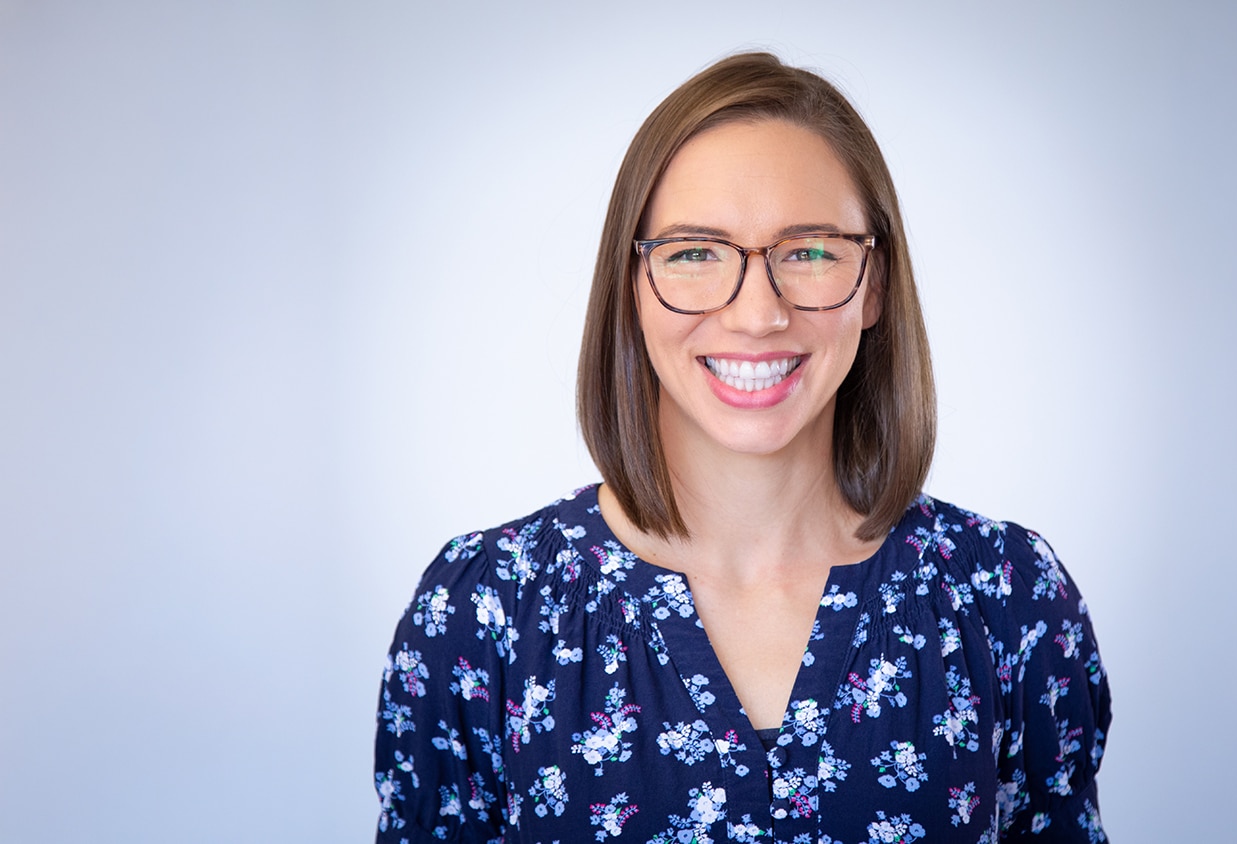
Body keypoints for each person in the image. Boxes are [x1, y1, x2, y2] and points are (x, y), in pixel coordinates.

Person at [374, 51, 1111, 843]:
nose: (757, 314)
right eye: (696, 252)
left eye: (811, 251)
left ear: (875, 286)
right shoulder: (483, 615)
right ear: (631, 285)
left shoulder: (1009, 600)